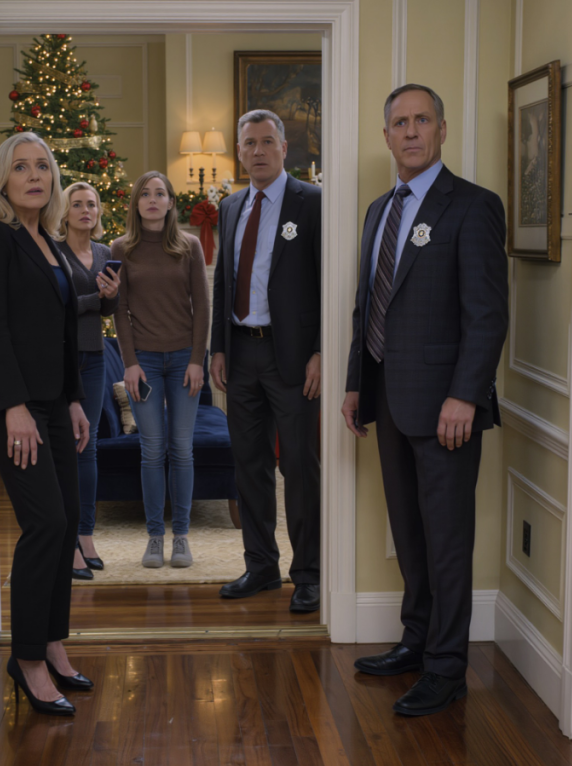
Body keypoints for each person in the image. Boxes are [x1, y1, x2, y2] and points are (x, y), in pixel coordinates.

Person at [342, 84, 508, 716]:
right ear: (386, 136)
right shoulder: (378, 209)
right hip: (388, 399)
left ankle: (447, 667)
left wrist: (465, 395)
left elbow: (488, 315)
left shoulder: (472, 206)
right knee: (410, 535)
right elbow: (368, 307)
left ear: (441, 130)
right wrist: (357, 384)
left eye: (421, 121)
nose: (410, 132)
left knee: (446, 540)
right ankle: (416, 641)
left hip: (447, 410)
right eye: (399, 122)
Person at [0, 132, 93, 716]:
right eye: (21, 167)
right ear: (3, 179)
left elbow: (62, 335)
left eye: (43, 166)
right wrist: (14, 403)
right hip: (7, 403)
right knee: (46, 524)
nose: (34, 175)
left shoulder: (53, 243)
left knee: (66, 531)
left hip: (54, 404)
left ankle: (55, 645)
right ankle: (28, 659)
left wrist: (71, 399)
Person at [210, 109, 322, 613]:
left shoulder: (313, 202)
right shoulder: (231, 207)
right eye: (249, 143)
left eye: (267, 141)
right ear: (239, 151)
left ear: (284, 148)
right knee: (248, 465)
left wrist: (321, 350)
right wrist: (217, 347)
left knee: (299, 464)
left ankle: (309, 573)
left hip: (293, 357)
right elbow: (222, 284)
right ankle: (260, 566)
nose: (258, 151)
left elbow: (327, 282)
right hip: (241, 352)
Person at [112, 170, 210, 568]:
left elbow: (202, 307)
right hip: (146, 364)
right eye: (145, 194)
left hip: (184, 358)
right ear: (136, 203)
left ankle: (181, 536)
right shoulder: (121, 248)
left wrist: (197, 361)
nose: (152, 200)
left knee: (182, 449)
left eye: (160, 194)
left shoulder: (188, 246)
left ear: (171, 202)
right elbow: (119, 311)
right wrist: (130, 364)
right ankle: (155, 537)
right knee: (152, 450)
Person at [56, 182, 121, 580]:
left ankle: (86, 534)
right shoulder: (53, 251)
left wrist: (111, 295)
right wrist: (96, 301)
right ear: (64, 212)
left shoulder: (104, 253)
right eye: (77, 204)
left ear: (98, 213)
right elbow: (54, 308)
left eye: (91, 204)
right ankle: (67, 545)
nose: (85, 210)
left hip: (94, 357)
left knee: (88, 445)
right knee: (65, 445)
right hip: (61, 359)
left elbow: (109, 308)